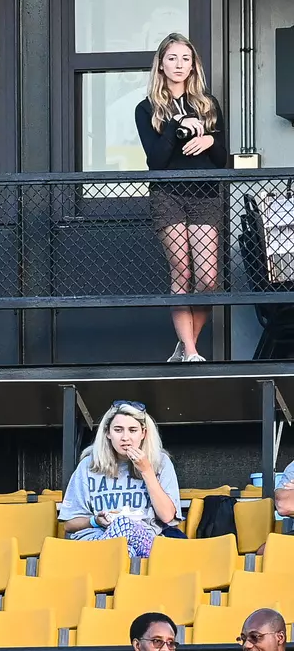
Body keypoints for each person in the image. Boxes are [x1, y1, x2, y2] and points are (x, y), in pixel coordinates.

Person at [135, 32, 229, 363]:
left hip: (205, 195)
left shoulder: (207, 104)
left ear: (193, 65)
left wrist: (210, 140)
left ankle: (185, 342)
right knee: (182, 272)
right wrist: (176, 127)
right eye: (172, 58)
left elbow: (222, 158)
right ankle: (191, 351)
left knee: (208, 279)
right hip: (168, 195)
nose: (179, 64)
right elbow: (156, 161)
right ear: (161, 64)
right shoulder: (147, 108)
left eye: (185, 59)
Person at [60, 401, 181, 559]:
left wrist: (146, 470)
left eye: (133, 430)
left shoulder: (160, 462)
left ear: (143, 433)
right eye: (118, 430)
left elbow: (167, 516)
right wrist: (95, 521)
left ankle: (98, 564)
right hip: (96, 541)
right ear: (108, 433)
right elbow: (69, 524)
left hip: (143, 539)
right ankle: (105, 563)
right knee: (126, 553)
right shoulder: (88, 465)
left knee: (123, 525)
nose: (125, 438)